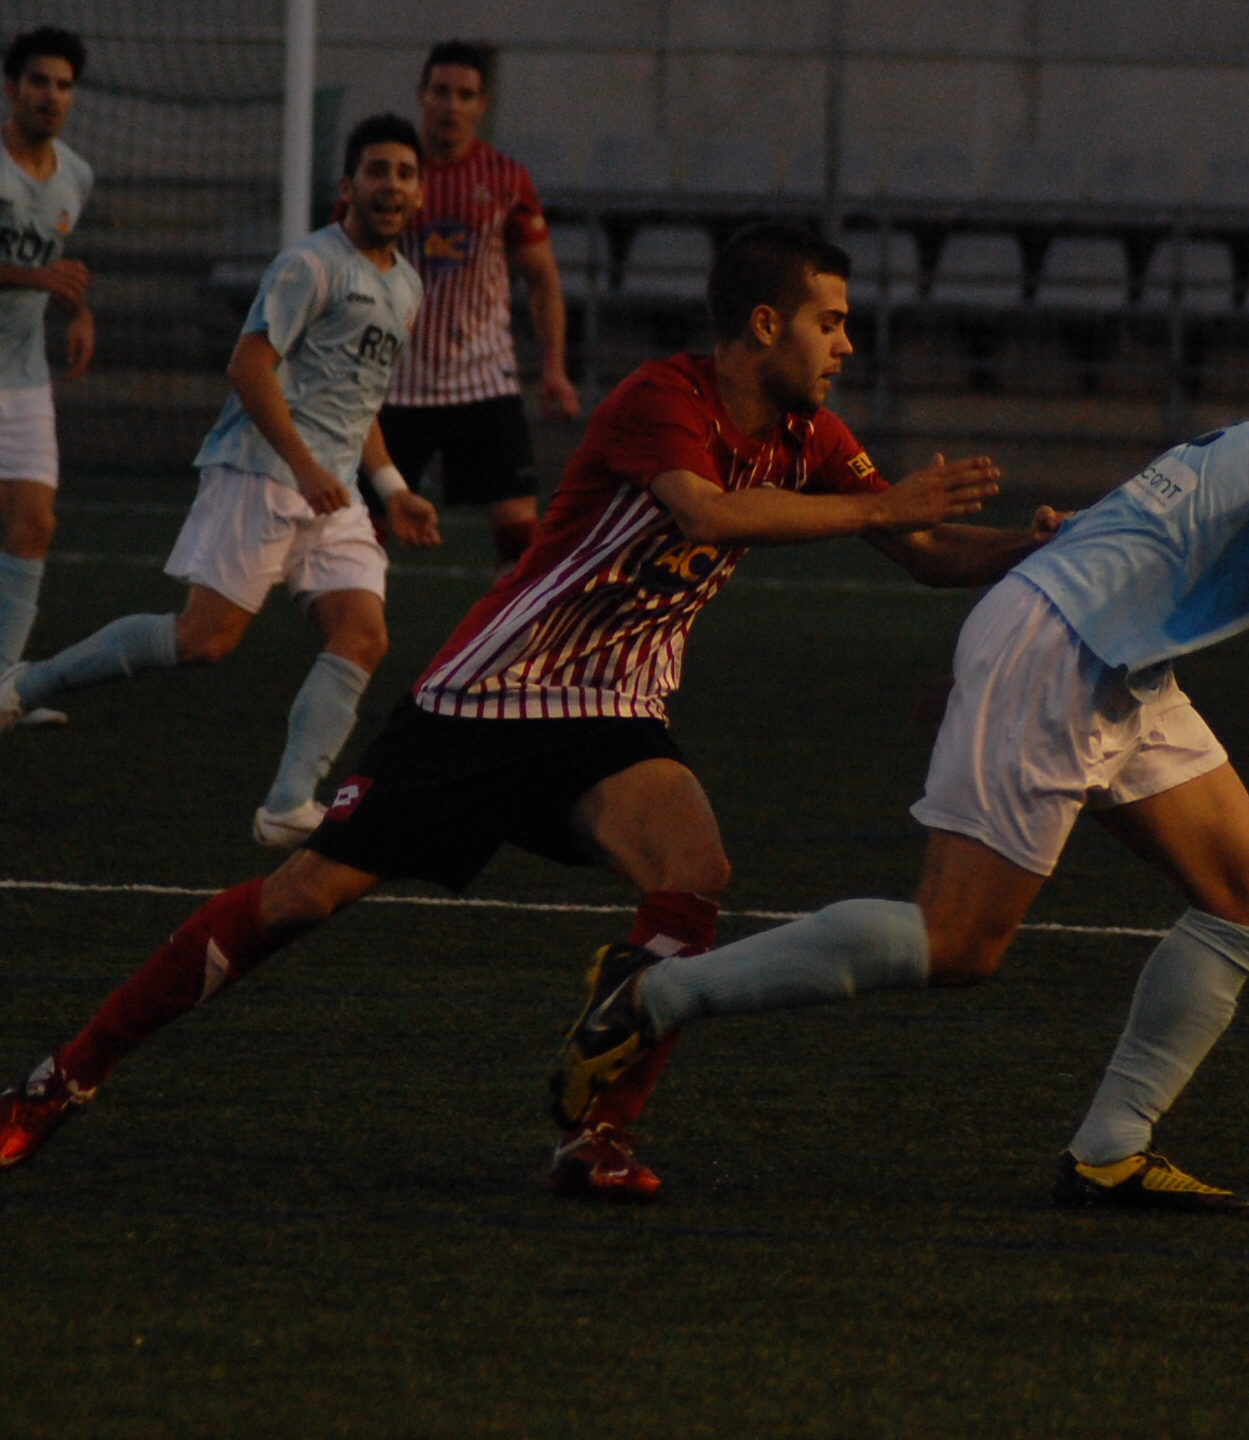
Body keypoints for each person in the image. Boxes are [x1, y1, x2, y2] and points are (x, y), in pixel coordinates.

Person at [0, 224, 1065, 1200]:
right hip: (488, 699)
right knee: (301, 901)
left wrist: (1032, 546)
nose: (843, 344)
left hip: (612, 714)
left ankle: (596, 1132)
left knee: (692, 869)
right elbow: (704, 508)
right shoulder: (666, 397)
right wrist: (881, 505)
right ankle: (62, 1077)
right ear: (762, 325)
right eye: (828, 321)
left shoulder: (815, 437)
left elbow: (925, 558)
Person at [545, 351, 1249, 1214]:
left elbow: (1172, 500)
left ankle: (1112, 1147)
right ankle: (658, 994)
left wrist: (997, 643)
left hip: (1107, 655)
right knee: (957, 942)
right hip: (1071, 650)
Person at [0, 114, 442, 848]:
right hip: (263, 473)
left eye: (403, 173)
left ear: (420, 193)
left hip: (331, 492)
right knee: (204, 641)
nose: (389, 185)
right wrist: (304, 466)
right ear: (348, 187)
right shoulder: (310, 264)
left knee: (362, 633)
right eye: (375, 170)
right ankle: (26, 684)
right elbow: (248, 366)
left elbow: (358, 397)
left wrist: (392, 488)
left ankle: (288, 804)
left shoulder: (407, 288)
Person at [367, 39, 579, 574]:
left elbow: (541, 278)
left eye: (465, 95)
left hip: (483, 381)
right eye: (441, 91)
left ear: (482, 104)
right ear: (421, 95)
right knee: (357, 537)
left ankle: (516, 655)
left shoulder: (506, 179)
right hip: (395, 382)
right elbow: (344, 264)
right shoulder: (386, 172)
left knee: (520, 540)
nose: (451, 105)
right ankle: (350, 638)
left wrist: (554, 368)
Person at [0, 27, 94, 728]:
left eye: (63, 85)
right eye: (38, 81)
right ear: (12, 88)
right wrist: (33, 276)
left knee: (34, 523)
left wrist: (78, 310)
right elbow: (37, 268)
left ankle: (3, 687)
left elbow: (58, 262)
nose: (51, 95)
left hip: (25, 378)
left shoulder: (76, 176)